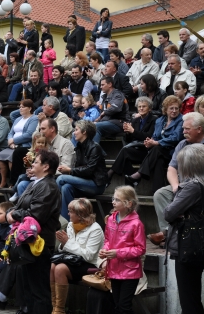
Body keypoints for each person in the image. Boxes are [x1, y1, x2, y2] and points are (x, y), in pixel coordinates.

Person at [149, 112, 204, 247]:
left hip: (202, 186)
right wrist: (175, 187)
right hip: (182, 185)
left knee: (184, 198)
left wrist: (186, 187)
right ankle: (168, 232)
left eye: (187, 129)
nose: (183, 132)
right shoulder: (182, 144)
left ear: (199, 129)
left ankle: (168, 234)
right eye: (183, 128)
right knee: (161, 194)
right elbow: (172, 169)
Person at [7, 150, 61, 314]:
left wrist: (13, 215)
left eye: (36, 162)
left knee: (39, 291)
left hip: (40, 244)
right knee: (28, 289)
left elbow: (37, 214)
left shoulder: (49, 187)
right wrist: (10, 212)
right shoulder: (35, 183)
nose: (33, 164)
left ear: (46, 166)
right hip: (27, 242)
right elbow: (18, 205)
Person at [163, 144, 204, 314]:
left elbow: (169, 213)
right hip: (195, 244)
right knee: (192, 297)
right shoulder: (203, 184)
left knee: (189, 300)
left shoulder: (191, 186)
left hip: (187, 246)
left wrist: (178, 212)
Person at [50, 198, 104, 314]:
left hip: (90, 264)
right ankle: (54, 307)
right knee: (52, 266)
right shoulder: (71, 225)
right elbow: (66, 249)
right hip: (73, 261)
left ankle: (59, 310)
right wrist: (63, 244)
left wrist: (67, 243)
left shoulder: (95, 229)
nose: (68, 214)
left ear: (80, 215)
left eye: (71, 211)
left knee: (60, 269)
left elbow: (89, 256)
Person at [100, 186, 146, 314]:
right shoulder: (111, 219)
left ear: (128, 204)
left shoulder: (136, 224)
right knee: (117, 305)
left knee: (124, 306)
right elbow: (107, 240)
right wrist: (105, 250)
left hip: (130, 271)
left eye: (117, 200)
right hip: (114, 268)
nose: (113, 202)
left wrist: (118, 253)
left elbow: (140, 249)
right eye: (113, 198)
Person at [124, 96, 184, 189]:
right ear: (165, 109)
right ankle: (157, 190)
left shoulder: (181, 120)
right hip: (160, 152)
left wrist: (156, 143)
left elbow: (176, 137)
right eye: (171, 108)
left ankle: (139, 173)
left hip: (174, 151)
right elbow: (155, 136)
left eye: (176, 108)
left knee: (157, 149)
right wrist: (150, 142)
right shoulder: (160, 120)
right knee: (158, 161)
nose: (174, 111)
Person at [57, 120, 107, 221]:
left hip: (96, 184)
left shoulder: (95, 147)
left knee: (61, 178)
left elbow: (89, 170)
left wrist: (70, 170)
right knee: (66, 188)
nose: (74, 132)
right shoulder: (79, 147)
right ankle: (68, 222)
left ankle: (53, 211)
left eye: (76, 130)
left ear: (84, 132)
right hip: (84, 182)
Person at [107, 97, 159, 181]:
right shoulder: (135, 120)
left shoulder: (155, 120)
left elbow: (149, 136)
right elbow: (129, 140)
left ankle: (110, 173)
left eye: (144, 106)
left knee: (125, 152)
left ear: (149, 108)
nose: (141, 108)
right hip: (135, 149)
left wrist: (133, 131)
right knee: (125, 158)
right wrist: (127, 132)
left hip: (147, 151)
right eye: (139, 106)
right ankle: (132, 180)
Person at [0, 99, 39, 186]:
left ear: (30, 108)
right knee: (0, 156)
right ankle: (3, 181)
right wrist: (11, 142)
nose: (20, 108)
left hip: (24, 146)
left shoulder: (34, 118)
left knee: (12, 156)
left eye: (23, 107)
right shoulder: (17, 119)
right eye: (20, 107)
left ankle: (14, 182)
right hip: (12, 145)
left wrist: (14, 140)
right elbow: (11, 133)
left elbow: (29, 134)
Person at [93, 76, 130, 142]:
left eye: (103, 85)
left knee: (96, 126)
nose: (100, 87)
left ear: (110, 84)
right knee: (82, 128)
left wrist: (104, 113)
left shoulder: (118, 95)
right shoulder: (104, 97)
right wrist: (98, 120)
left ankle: (94, 148)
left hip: (120, 123)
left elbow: (116, 108)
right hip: (108, 122)